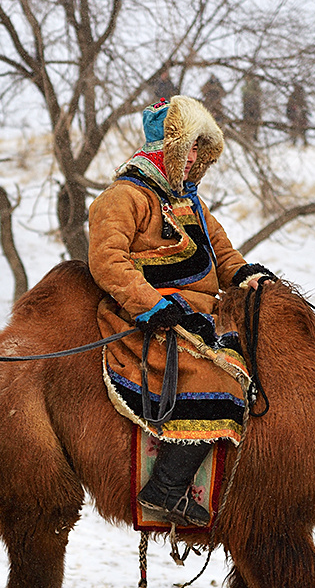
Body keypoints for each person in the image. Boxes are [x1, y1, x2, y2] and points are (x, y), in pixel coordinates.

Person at [88, 96, 275, 528]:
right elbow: (107, 261)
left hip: (200, 315)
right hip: (146, 319)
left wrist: (246, 274)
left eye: (198, 148)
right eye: (187, 146)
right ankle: (165, 491)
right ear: (166, 147)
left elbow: (222, 253)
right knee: (222, 381)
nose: (193, 157)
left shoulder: (190, 202)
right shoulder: (123, 197)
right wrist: (153, 307)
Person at [240, 71, 262, 146]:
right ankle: (247, 136)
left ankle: (255, 136)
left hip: (254, 105)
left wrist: (252, 97)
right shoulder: (245, 85)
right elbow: (243, 93)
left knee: (255, 121)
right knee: (247, 120)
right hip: (247, 106)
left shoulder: (255, 84)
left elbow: (258, 93)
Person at [286, 82, 309, 146]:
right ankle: (294, 142)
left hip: (299, 117)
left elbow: (305, 107)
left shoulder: (301, 97)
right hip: (294, 116)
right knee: (295, 128)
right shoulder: (294, 97)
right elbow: (289, 107)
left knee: (301, 129)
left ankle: (303, 142)